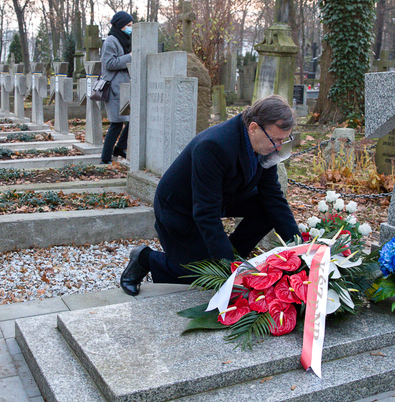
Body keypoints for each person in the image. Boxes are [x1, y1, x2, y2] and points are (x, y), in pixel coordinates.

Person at [120, 95, 301, 295]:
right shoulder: (214, 146)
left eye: (284, 140)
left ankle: (231, 256)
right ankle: (145, 258)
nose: (278, 147)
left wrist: (300, 249)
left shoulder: (263, 143)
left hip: (222, 197)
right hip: (180, 207)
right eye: (275, 140)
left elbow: (273, 198)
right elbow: (206, 213)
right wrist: (226, 268)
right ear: (254, 128)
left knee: (266, 209)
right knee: (203, 275)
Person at [100, 11, 133, 164]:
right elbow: (109, 64)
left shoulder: (122, 40)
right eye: (128, 25)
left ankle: (120, 147)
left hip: (123, 88)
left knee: (131, 119)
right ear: (120, 25)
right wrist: (130, 57)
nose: (130, 28)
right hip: (113, 89)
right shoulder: (111, 41)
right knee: (116, 123)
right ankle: (105, 158)